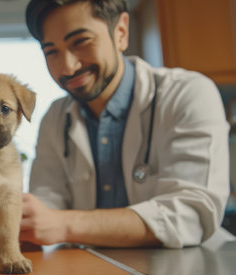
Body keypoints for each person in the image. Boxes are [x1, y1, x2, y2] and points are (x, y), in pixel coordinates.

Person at [19, 0, 230, 248]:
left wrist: (64, 224)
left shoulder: (188, 94)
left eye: (81, 42)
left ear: (120, 32)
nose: (67, 66)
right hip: (90, 274)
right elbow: (46, 205)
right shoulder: (55, 117)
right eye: (51, 51)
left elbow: (191, 213)